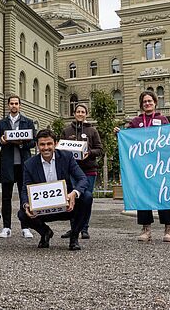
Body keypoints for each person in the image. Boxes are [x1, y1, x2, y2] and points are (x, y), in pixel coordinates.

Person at [114, 90, 170, 242]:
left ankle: (169, 229)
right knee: (143, 196)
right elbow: (128, 139)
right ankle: (146, 229)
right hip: (142, 166)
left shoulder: (162, 119)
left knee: (164, 194)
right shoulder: (136, 122)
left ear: (155, 102)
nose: (147, 104)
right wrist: (120, 134)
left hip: (160, 165)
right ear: (141, 105)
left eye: (150, 101)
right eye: (144, 102)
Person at [17, 129, 93, 251]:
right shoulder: (29, 164)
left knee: (87, 197)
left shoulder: (67, 157)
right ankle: (45, 232)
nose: (46, 148)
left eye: (49, 144)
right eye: (42, 144)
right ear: (37, 145)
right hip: (42, 209)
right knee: (22, 213)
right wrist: (26, 204)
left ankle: (74, 237)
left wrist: (74, 193)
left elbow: (83, 179)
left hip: (67, 206)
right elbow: (25, 189)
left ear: (55, 144)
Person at [0, 94, 36, 239]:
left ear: (20, 105)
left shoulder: (28, 122)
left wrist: (22, 143)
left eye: (16, 103)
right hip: (7, 164)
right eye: (11, 103)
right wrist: (2, 140)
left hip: (24, 164)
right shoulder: (1, 123)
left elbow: (34, 141)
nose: (14, 106)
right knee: (6, 197)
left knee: (25, 197)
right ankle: (6, 227)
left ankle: (25, 227)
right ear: (8, 105)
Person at [60, 103, 103, 240]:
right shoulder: (67, 131)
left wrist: (89, 153)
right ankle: (74, 228)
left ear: (86, 114)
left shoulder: (92, 131)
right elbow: (60, 149)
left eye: (82, 112)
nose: (80, 114)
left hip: (89, 169)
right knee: (72, 198)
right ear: (74, 113)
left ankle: (84, 228)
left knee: (87, 198)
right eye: (78, 111)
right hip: (72, 171)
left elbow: (100, 149)